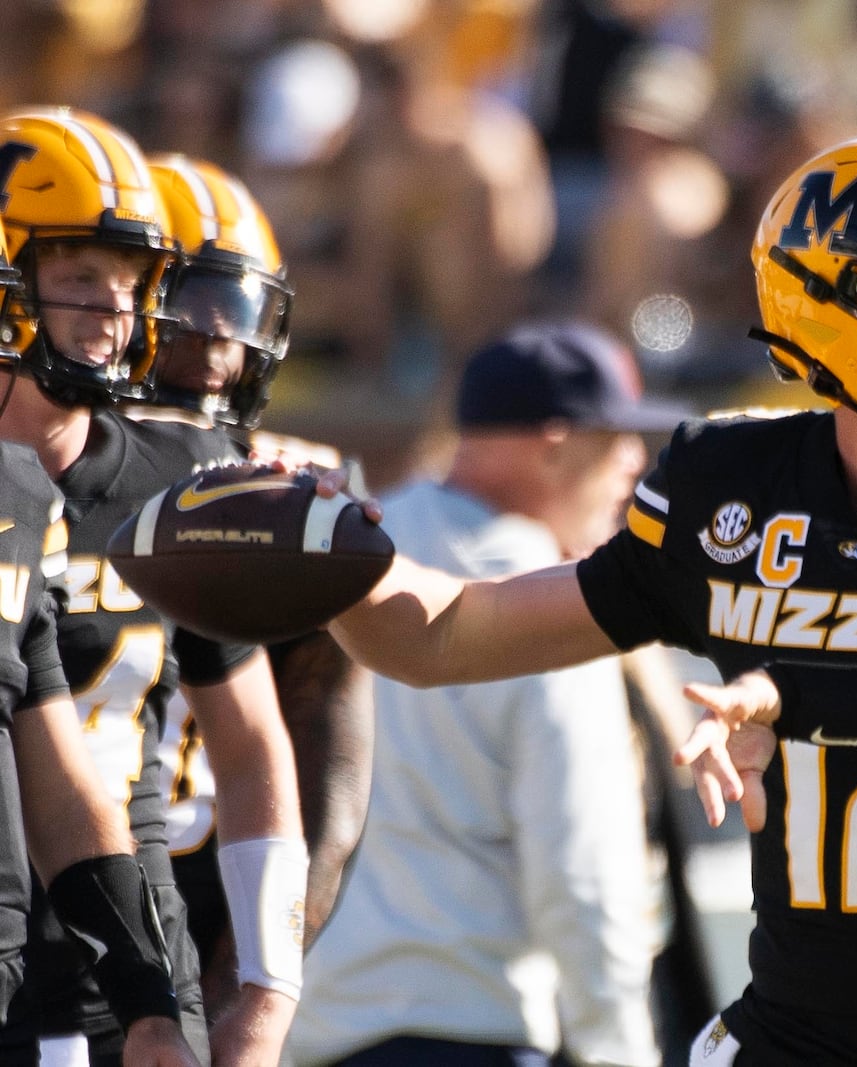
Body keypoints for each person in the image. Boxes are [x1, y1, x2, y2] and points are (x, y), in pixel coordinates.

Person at [318, 131, 857, 1063]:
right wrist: (322, 548)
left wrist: (798, 694)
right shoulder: (736, 485)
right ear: (837, 321)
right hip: (798, 1035)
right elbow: (448, 636)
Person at [0, 106, 305, 1067]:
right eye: (80, 277)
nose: (113, 312)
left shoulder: (183, 482)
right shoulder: (12, 495)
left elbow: (256, 748)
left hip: (123, 969)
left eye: (130, 284)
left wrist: (264, 986)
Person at [290, 320, 675, 1067]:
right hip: (475, 1030)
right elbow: (584, 872)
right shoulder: (542, 597)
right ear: (555, 444)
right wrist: (618, 1050)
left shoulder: (345, 545)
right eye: (617, 439)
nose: (635, 464)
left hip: (312, 1032)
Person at [136, 151, 374, 1016]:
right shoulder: (30, 487)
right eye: (188, 305)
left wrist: (247, 991)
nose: (218, 340)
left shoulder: (281, 500)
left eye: (235, 309)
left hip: (197, 909)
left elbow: (326, 792)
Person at [0, 222, 199, 1067]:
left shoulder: (16, 494)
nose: (112, 310)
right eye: (80, 277)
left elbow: (59, 775)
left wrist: (149, 1006)